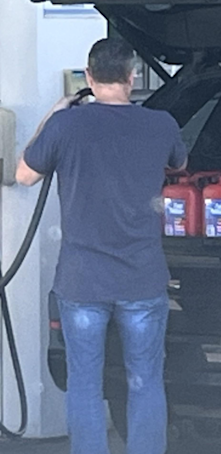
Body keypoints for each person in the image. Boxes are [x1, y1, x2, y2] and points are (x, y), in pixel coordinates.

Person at [16, 38, 187, 454]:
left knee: (85, 385)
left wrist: (55, 113)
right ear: (132, 77)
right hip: (142, 278)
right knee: (145, 381)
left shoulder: (65, 125)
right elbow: (180, 164)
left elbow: (24, 174)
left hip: (82, 281)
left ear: (89, 78)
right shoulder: (161, 123)